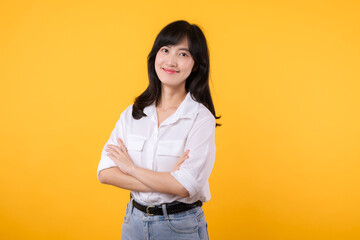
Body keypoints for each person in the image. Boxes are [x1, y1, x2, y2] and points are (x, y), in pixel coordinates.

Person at [97, 20, 221, 240]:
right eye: (165, 50)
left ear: (195, 65)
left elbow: (184, 186)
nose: (171, 61)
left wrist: (130, 168)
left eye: (183, 54)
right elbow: (105, 173)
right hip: (133, 223)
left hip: (179, 227)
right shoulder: (133, 114)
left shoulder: (200, 118)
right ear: (155, 55)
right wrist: (167, 181)